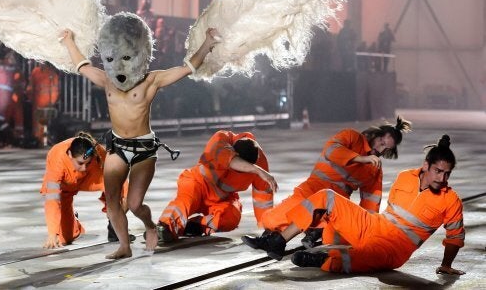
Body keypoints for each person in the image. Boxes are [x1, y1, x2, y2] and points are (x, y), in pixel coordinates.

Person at [60, 12, 219, 259]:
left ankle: (150, 225)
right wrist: (69, 40)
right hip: (117, 146)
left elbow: (186, 68)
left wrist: (207, 44)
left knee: (134, 204)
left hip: (144, 149)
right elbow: (83, 65)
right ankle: (124, 246)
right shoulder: (107, 80)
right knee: (112, 200)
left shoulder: (151, 80)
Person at [260, 135, 465, 276]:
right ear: (426, 166)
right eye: (438, 171)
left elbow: (454, 238)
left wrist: (446, 265)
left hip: (395, 248)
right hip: (373, 225)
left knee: (362, 258)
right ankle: (279, 241)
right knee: (326, 197)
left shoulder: (451, 199)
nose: (443, 177)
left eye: (447, 173)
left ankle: (323, 260)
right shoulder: (405, 177)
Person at [242, 116, 412, 251]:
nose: (381, 150)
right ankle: (272, 238)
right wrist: (361, 158)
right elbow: (331, 150)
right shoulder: (352, 137)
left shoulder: (375, 169)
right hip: (312, 188)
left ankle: (305, 235)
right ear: (376, 135)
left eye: (387, 149)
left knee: (327, 226)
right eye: (382, 143)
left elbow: (371, 202)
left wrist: (365, 228)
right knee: (272, 219)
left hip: (332, 203)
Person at [156, 130, 277, 243]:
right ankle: (165, 227)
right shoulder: (221, 139)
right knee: (185, 201)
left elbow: (263, 198)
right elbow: (229, 159)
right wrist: (256, 170)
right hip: (198, 183)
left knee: (231, 217)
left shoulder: (260, 163)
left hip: (221, 198)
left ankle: (196, 226)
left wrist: (267, 227)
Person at [41, 131, 131, 248]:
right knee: (66, 239)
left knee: (123, 190)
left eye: (88, 163)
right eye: (80, 163)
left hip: (91, 179)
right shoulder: (56, 159)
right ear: (69, 155)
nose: (84, 168)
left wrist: (120, 210)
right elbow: (52, 199)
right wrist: (52, 233)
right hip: (66, 188)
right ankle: (74, 221)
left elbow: (119, 176)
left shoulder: (97, 152)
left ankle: (114, 226)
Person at [0, 47, 24, 144]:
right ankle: (11, 138)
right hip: (9, 95)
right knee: (3, 119)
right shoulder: (11, 68)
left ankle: (12, 138)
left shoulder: (1, 68)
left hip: (3, 94)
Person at [27, 62, 60, 144]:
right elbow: (30, 87)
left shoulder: (52, 74)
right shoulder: (35, 72)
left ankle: (44, 140)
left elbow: (55, 90)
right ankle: (37, 139)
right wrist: (31, 98)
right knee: (37, 123)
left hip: (47, 102)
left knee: (45, 122)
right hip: (37, 102)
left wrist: (52, 101)